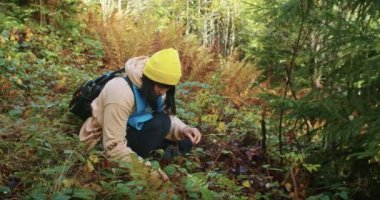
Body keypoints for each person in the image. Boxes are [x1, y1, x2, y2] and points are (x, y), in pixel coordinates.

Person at [78, 48, 201, 180]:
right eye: (161, 86)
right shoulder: (120, 91)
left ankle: (153, 154)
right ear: (149, 79)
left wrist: (183, 129)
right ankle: (141, 162)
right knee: (160, 124)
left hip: (132, 129)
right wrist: (149, 174)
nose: (163, 92)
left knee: (185, 140)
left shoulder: (156, 88)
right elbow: (113, 146)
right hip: (103, 142)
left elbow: (165, 116)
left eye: (168, 87)